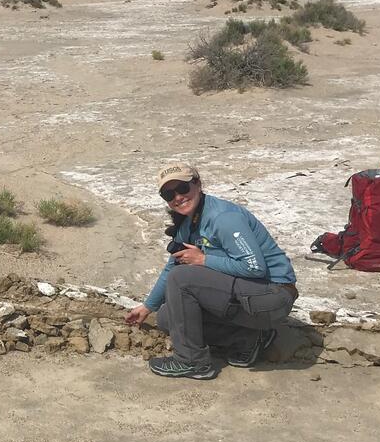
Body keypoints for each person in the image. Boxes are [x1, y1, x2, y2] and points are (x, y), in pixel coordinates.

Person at [124, 163, 298, 380]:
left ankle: (192, 361)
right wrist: (148, 307)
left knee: (183, 279)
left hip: (273, 297)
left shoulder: (223, 218)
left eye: (183, 188)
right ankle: (249, 338)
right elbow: (172, 266)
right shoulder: (189, 223)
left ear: (197, 184)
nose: (177, 197)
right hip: (246, 298)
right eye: (169, 193)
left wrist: (203, 259)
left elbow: (254, 267)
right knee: (168, 318)